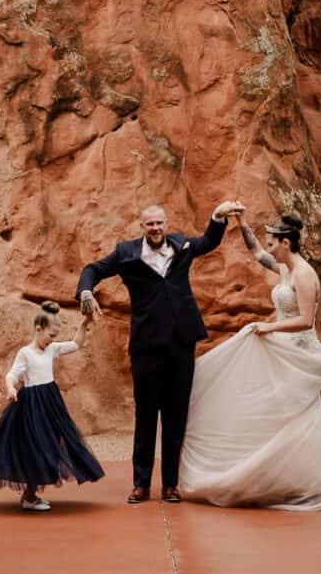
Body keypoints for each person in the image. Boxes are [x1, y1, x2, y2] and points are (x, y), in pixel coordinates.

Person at [75, 198, 246, 502]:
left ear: (166, 224)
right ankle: (141, 484)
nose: (155, 228)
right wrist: (86, 290)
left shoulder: (181, 246)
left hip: (181, 342)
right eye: (149, 224)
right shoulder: (126, 254)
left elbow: (208, 241)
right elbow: (92, 269)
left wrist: (218, 216)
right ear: (142, 227)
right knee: (146, 415)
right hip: (146, 346)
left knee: (176, 415)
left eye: (159, 223)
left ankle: (170, 484)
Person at [175, 212, 321, 510]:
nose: (268, 247)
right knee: (277, 413)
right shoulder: (284, 267)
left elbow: (306, 321)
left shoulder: (304, 274)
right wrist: (240, 223)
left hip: (299, 351)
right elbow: (256, 252)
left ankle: (312, 480)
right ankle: (277, 476)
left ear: (286, 242)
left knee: (297, 414)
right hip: (282, 348)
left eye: (272, 242)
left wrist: (269, 327)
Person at [0, 301, 105, 511]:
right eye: (50, 335)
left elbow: (76, 343)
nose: (52, 340)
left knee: (51, 444)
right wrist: (10, 389)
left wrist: (84, 323)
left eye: (55, 336)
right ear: (38, 329)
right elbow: (11, 375)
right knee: (34, 448)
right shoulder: (25, 353)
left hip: (50, 403)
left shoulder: (52, 349)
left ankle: (30, 495)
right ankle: (29, 497)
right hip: (31, 405)